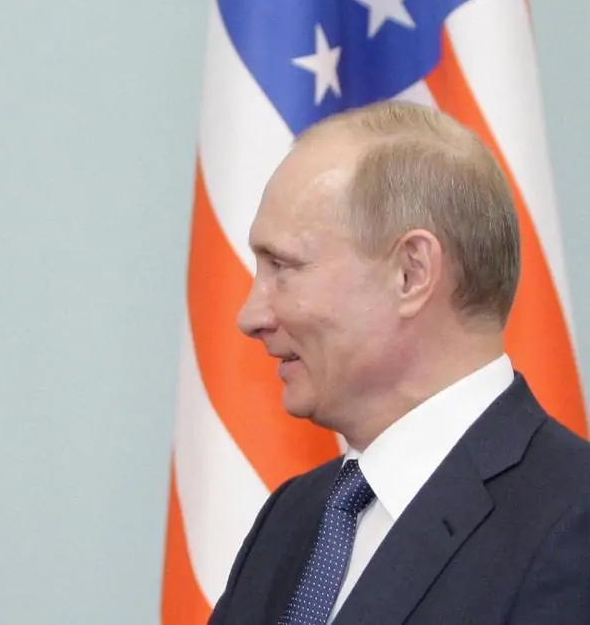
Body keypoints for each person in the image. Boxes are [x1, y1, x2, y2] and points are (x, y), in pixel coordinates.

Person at [208, 100, 590, 625]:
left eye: (283, 267)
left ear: (410, 273)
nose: (251, 317)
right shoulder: (290, 519)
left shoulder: (572, 520)